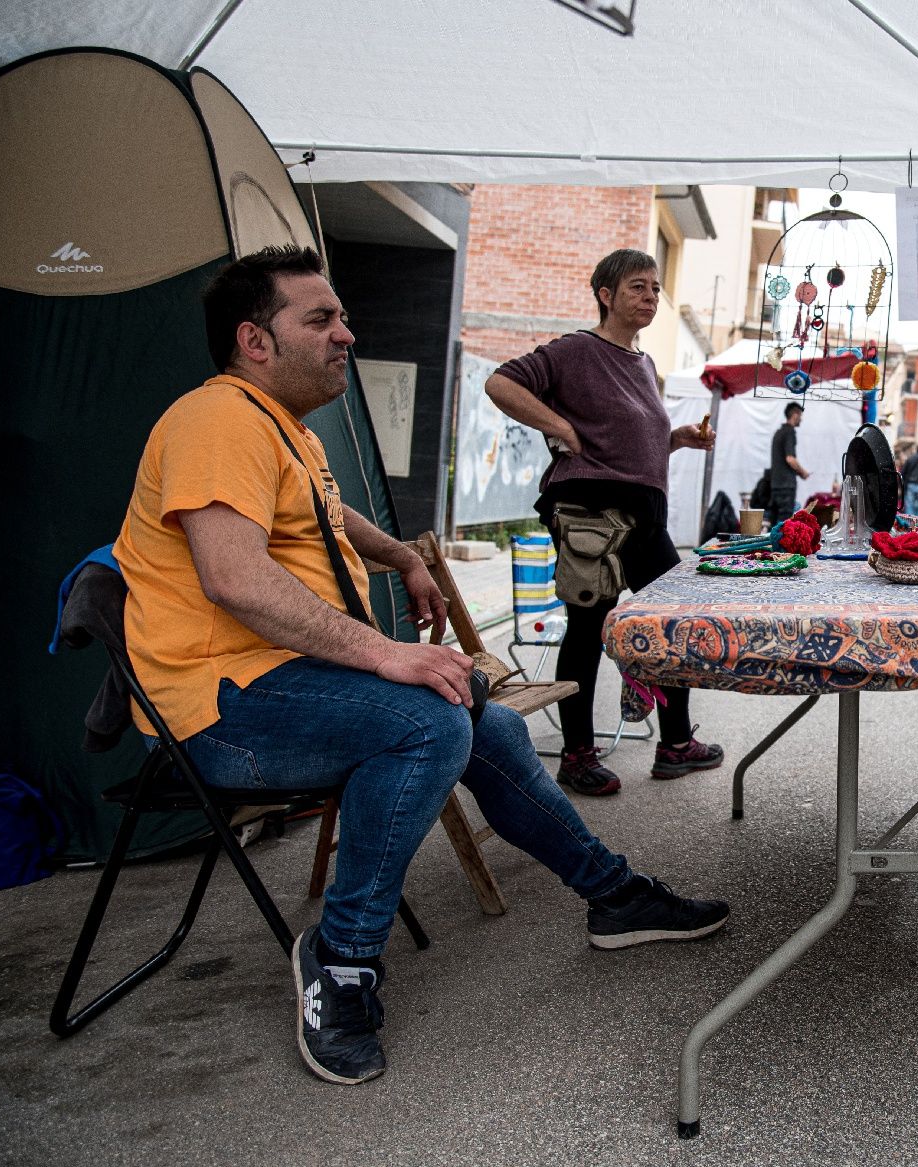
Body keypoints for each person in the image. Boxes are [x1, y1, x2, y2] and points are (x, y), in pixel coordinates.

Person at [113, 246, 731, 1086]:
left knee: (493, 720)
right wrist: (387, 651)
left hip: (285, 684)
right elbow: (233, 576)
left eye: (342, 316)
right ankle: (340, 961)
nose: (346, 334)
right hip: (224, 707)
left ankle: (612, 893)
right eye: (321, 319)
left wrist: (403, 555)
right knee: (431, 717)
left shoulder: (281, 430)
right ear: (255, 341)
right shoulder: (215, 420)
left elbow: (331, 522)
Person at [485, 249, 724, 796]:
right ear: (605, 294)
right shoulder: (576, 350)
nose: (651, 297)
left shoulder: (643, 364)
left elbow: (628, 442)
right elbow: (501, 383)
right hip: (591, 513)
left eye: (656, 289)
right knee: (588, 629)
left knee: (675, 617)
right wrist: (558, 427)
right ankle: (577, 755)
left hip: (642, 515)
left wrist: (676, 440)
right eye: (638, 287)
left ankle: (675, 744)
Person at [764, 402, 808, 527]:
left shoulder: (778, 433)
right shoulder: (790, 432)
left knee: (774, 523)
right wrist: (802, 472)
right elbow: (790, 459)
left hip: (775, 485)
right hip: (786, 486)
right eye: (800, 415)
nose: (801, 419)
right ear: (795, 415)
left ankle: (773, 545)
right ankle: (781, 547)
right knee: (784, 524)